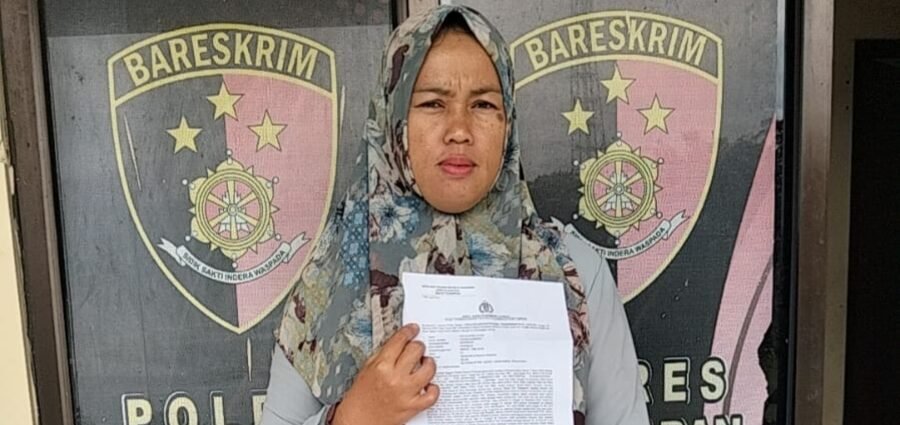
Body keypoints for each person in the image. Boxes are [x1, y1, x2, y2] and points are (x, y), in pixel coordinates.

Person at [261, 6, 649, 425]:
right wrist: (353, 417)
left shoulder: (574, 271)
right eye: (433, 103)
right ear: (393, 117)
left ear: (508, 121)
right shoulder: (332, 280)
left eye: (483, 104)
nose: (460, 130)